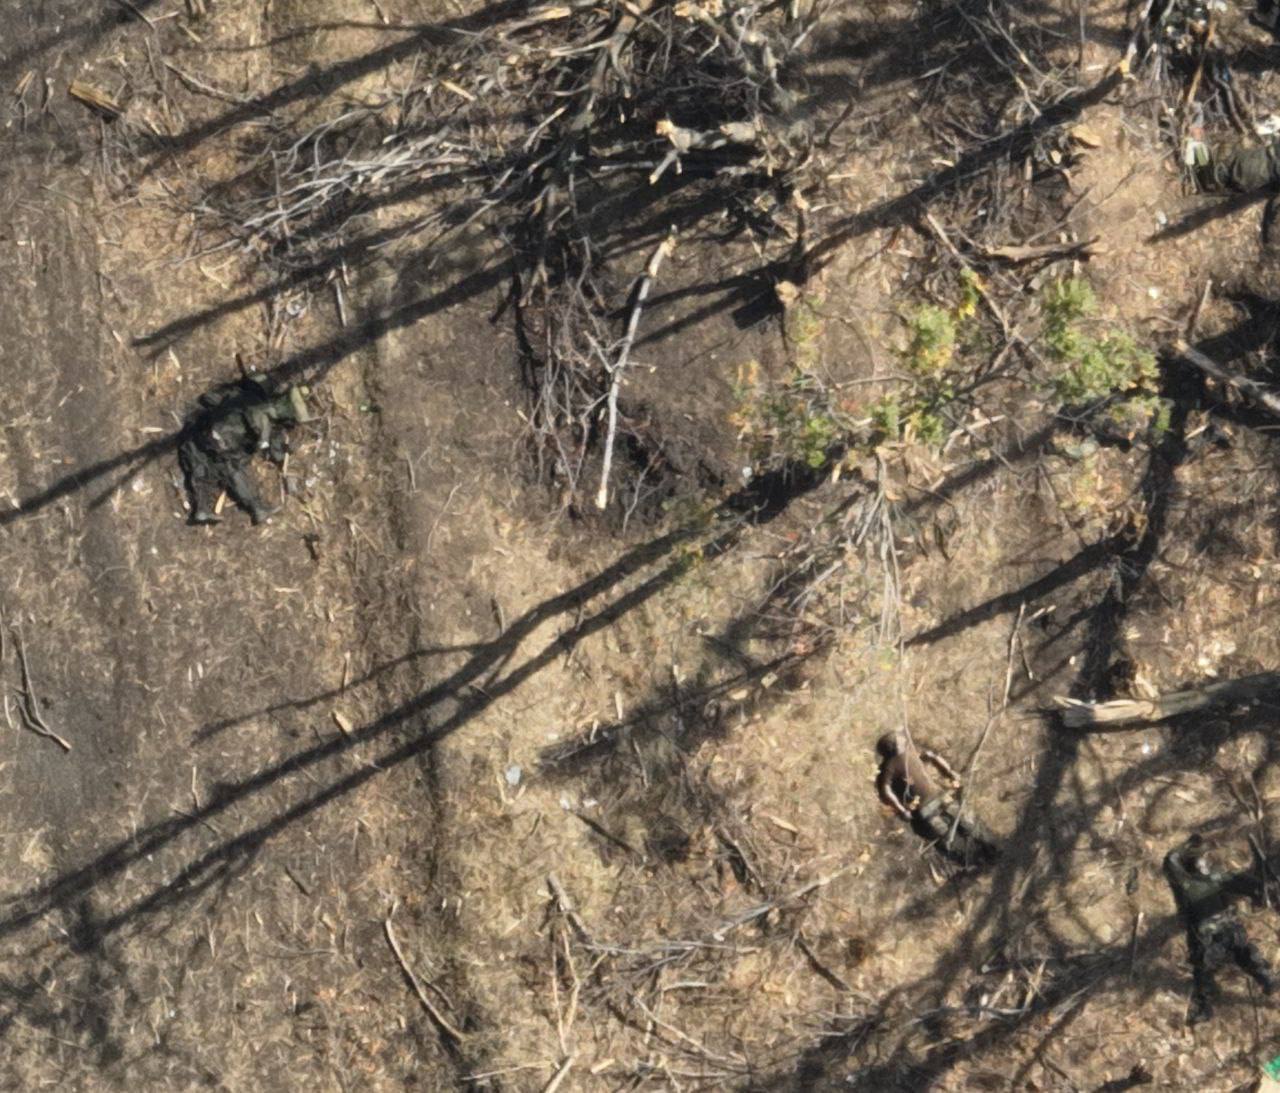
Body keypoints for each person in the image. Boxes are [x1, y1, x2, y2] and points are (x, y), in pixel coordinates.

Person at [1164, 833, 1275, 1024]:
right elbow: (1170, 860)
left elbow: (1240, 882)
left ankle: (1269, 981)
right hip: (1205, 937)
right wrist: (1190, 844)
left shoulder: (1215, 877)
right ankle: (1204, 1009)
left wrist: (1261, 890)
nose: (1207, 863)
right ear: (1192, 865)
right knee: (1203, 972)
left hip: (1229, 928)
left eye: (1206, 859)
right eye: (1202, 860)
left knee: (1247, 954)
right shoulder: (1185, 882)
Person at [179, 373, 312, 525]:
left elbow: (208, 398)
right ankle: (256, 508)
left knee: (202, 466)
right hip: (221, 447)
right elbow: (276, 454)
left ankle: (203, 508)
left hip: (204, 434)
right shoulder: (269, 426)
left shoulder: (246, 398)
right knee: (232, 471)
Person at [874, 730, 998, 866]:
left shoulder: (901, 759)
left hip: (932, 804)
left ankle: (982, 854)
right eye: (900, 739)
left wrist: (950, 773)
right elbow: (931, 756)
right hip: (932, 804)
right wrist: (950, 773)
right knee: (958, 828)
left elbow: (886, 790)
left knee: (956, 829)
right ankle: (983, 854)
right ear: (893, 745)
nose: (904, 740)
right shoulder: (893, 764)